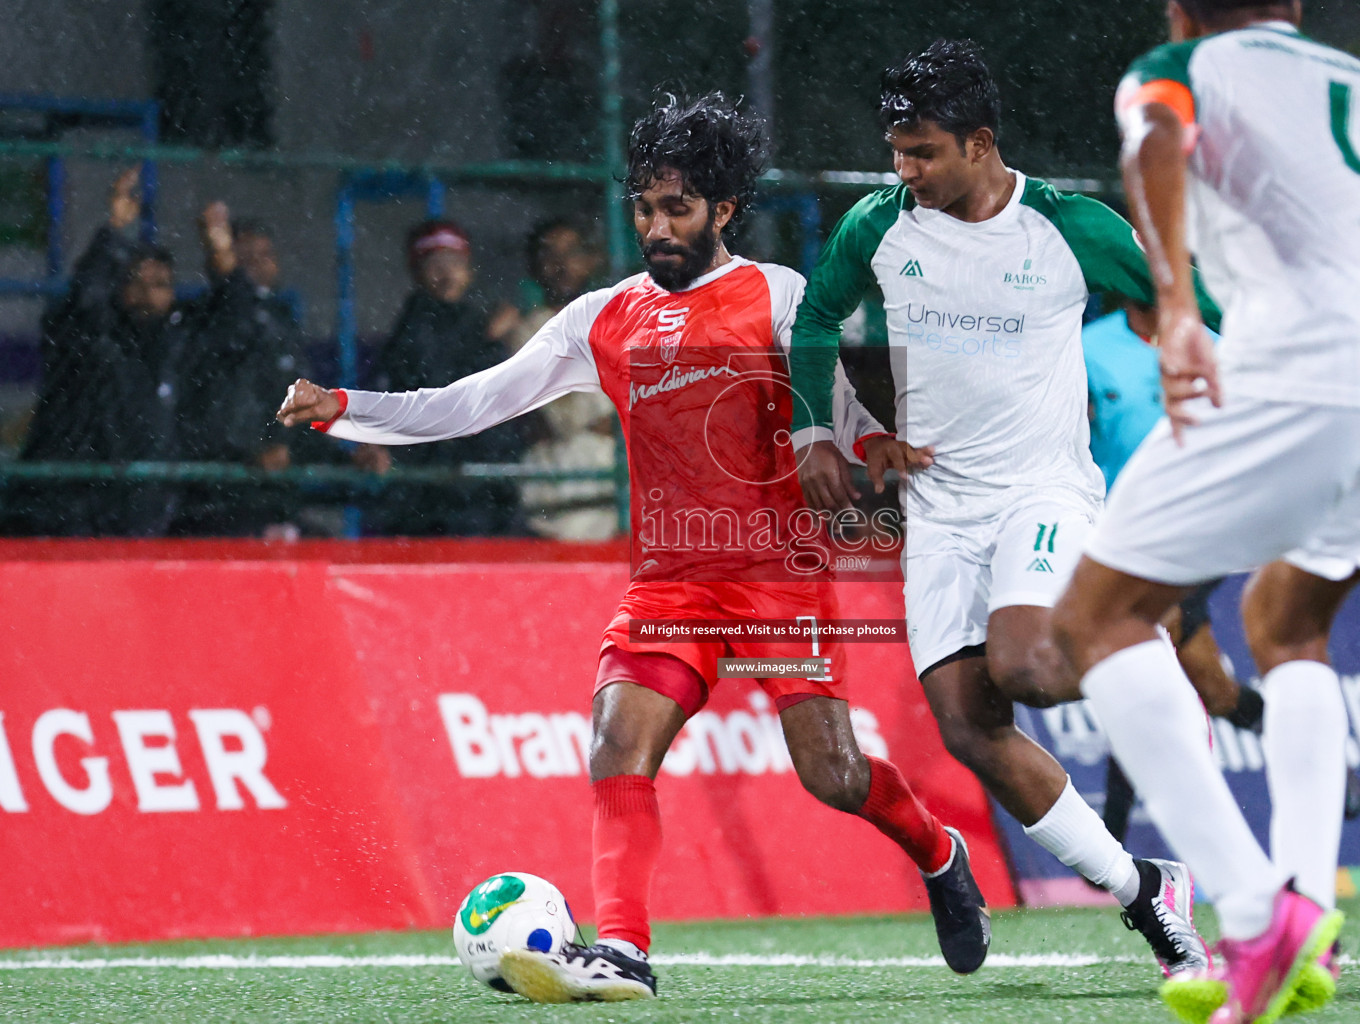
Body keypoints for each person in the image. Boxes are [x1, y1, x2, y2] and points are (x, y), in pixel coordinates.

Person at [276, 93, 989, 1002]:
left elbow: (846, 421)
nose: (657, 226)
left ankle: (937, 849)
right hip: (670, 586)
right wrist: (349, 408)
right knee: (618, 746)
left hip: (777, 579)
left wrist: (897, 460)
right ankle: (623, 949)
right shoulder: (602, 319)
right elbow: (474, 399)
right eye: (646, 208)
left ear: (723, 209)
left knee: (836, 776)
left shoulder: (780, 297)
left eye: (678, 208)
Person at [1045, 3, 1360, 1021]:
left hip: (1313, 361)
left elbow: (1155, 138)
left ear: (1181, 7)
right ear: (1297, 7)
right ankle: (1309, 910)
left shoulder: (1178, 63)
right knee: (1286, 618)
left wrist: (1174, 306)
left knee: (1094, 619)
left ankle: (1255, 909)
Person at [789, 40, 1216, 976]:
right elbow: (817, 319)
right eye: (895, 152)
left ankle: (1136, 628)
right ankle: (1148, 893)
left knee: (1024, 667)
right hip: (939, 507)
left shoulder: (1071, 227)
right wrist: (812, 433)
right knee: (965, 724)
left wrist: (1216, 358)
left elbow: (1191, 301)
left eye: (924, 152)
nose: (905, 171)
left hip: (1044, 490)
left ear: (980, 143)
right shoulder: (877, 226)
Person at [1082, 302, 1360, 841]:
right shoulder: (1090, 349)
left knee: (1140, 645)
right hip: (1121, 534)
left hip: (1202, 528)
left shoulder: (1216, 344)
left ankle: (1110, 835)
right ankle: (1323, 755)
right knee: (1210, 687)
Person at [14, 166, 185, 536]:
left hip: (136, 516)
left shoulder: (176, 347)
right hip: (64, 508)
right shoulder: (88, 337)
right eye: (136, 281)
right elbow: (85, 303)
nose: (146, 291)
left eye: (159, 284)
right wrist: (112, 232)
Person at [360, 220, 532, 536]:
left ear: (469, 270)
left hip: (479, 481)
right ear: (417, 272)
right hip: (440, 491)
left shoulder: (470, 319)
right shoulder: (416, 325)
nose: (446, 273)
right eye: (435, 264)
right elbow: (442, 385)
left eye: (455, 262)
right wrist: (488, 339)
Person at [171, 202, 305, 536]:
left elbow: (298, 407)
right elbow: (210, 412)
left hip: (273, 498)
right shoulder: (206, 321)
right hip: (218, 500)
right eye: (244, 257)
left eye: (265, 253)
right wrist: (248, 454)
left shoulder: (281, 322)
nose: (258, 263)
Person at [512, 219, 620, 540]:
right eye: (549, 256)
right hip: (557, 475)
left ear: (590, 260)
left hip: (615, 471)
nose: (560, 265)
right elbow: (563, 420)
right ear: (535, 266)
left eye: (571, 253)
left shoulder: (618, 322)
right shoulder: (528, 329)